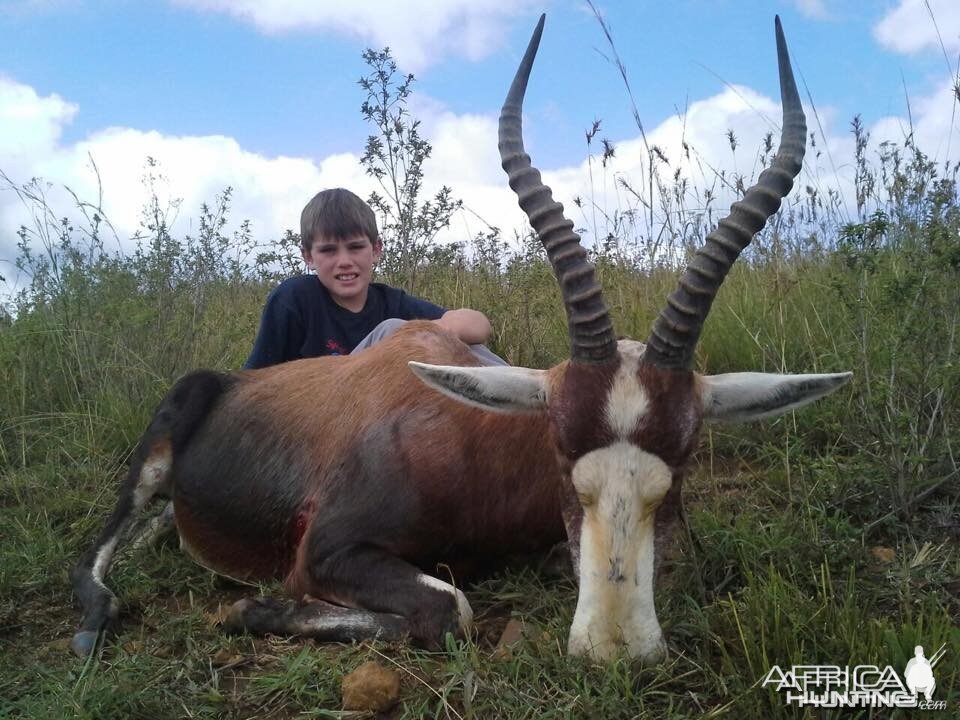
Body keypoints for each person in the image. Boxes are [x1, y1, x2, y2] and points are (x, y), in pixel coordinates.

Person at [245, 188, 506, 369]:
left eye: (356, 247)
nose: (344, 260)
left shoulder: (390, 301)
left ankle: (530, 407)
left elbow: (479, 325)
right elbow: (256, 381)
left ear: (376, 249)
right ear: (308, 256)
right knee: (391, 330)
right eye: (328, 250)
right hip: (319, 418)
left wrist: (427, 336)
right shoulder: (295, 298)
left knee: (466, 346)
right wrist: (408, 337)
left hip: (378, 421)